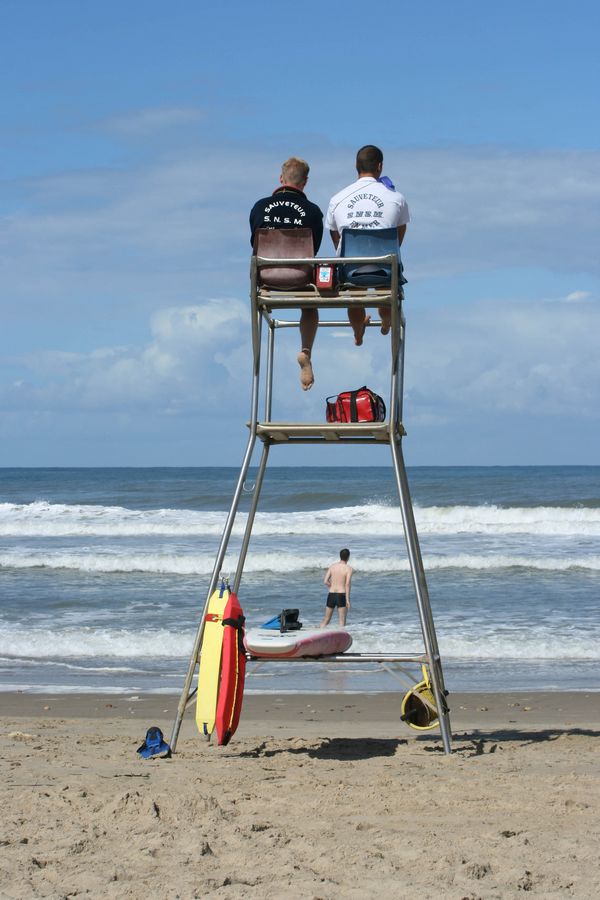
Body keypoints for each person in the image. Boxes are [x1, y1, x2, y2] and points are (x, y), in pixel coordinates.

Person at [250, 157, 324, 391]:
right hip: (300, 278)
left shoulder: (260, 206)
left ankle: (267, 293)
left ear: (281, 178)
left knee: (262, 269)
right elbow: (315, 249)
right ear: (305, 182)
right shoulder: (313, 211)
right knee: (310, 306)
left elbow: (255, 242)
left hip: (267, 276)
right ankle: (306, 352)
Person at [325, 145, 410, 344]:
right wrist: (385, 254)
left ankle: (357, 332)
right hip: (385, 266)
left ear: (356, 166)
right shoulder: (396, 198)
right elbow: (400, 233)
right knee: (385, 289)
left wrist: (351, 257)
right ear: (380, 166)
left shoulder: (337, 199)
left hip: (350, 268)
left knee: (355, 295)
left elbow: (335, 236)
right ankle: (387, 321)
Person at [321, 548, 353, 628]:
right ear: (348, 557)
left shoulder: (332, 566)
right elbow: (347, 584)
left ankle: (317, 635)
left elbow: (325, 581)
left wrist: (331, 586)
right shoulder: (348, 569)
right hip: (341, 595)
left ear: (340, 556)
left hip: (331, 594)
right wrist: (348, 600)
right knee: (342, 621)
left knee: (326, 619)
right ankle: (341, 639)